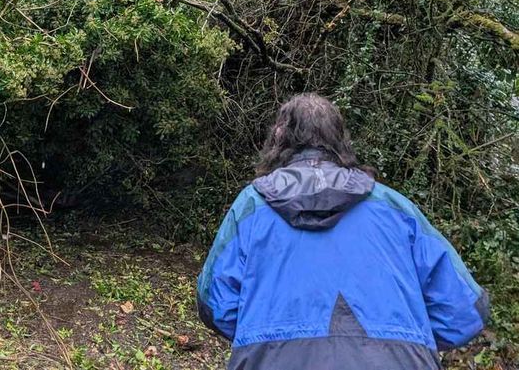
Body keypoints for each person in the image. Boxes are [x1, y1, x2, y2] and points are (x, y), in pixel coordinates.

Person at [197, 93, 488, 369]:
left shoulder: (251, 207)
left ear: (278, 139)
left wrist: (266, 331)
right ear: (341, 141)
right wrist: (404, 339)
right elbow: (465, 311)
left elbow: (215, 305)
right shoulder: (396, 209)